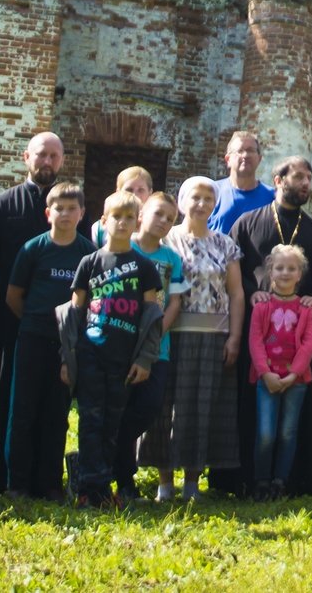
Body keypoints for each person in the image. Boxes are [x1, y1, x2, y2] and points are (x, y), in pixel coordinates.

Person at [0, 131, 65, 492]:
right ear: (26, 157)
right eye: (41, 155)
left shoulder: (69, 209)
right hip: (6, 317)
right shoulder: (2, 205)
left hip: (52, 324)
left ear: (61, 161)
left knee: (43, 399)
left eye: (53, 156)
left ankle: (37, 477)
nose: (46, 162)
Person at [229, 156, 312, 494]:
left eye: (309, 177)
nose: (306, 183)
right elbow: (234, 271)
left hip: (302, 334)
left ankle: (293, 479)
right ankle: (250, 478)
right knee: (256, 413)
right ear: (278, 180)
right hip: (259, 332)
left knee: (297, 418)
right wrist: (251, 294)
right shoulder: (248, 223)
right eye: (299, 177)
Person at [59, 191, 163, 508]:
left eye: (129, 217)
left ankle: (104, 487)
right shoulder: (89, 263)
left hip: (125, 360)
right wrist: (68, 358)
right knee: (90, 421)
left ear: (137, 222)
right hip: (90, 355)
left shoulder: (145, 268)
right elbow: (73, 313)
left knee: (113, 424)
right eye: (116, 216)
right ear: (104, 221)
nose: (122, 222)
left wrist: (146, 359)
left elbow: (153, 316)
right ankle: (90, 492)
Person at [3, 182, 95, 499]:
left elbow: (92, 301)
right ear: (48, 213)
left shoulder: (88, 253)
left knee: (57, 414)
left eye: (72, 208)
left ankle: (50, 484)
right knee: (24, 409)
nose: (65, 214)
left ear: (82, 213)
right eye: (59, 208)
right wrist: (35, 321)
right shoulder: (33, 249)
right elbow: (14, 296)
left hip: (67, 345)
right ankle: (17, 483)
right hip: (32, 336)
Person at [159, 177, 244, 500]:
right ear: (182, 202)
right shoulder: (165, 241)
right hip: (172, 334)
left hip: (213, 337)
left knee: (202, 406)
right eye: (196, 197)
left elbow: (236, 294)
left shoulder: (225, 244)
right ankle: (164, 483)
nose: (202, 203)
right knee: (166, 406)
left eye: (209, 198)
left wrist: (234, 336)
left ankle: (192, 482)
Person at [116, 191, 186, 501]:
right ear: (142, 213)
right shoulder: (121, 249)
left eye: (170, 219)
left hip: (158, 349)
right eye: (158, 214)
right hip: (119, 344)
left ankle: (112, 451)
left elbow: (175, 302)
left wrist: (155, 334)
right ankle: (123, 483)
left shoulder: (171, 259)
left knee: (147, 408)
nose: (163, 222)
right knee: (118, 408)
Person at [246, 244, 312, 499]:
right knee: (266, 433)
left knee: (288, 432)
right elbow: (255, 342)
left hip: (295, 381)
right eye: (280, 268)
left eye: (292, 268)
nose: (285, 273)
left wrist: (293, 375)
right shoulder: (262, 307)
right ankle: (261, 481)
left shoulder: (306, 309)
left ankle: (280, 481)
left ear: (300, 274)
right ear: (270, 272)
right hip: (267, 379)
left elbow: (309, 344)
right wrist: (265, 373)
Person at [209, 131, 272, 233]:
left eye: (250, 150)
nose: (245, 155)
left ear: (259, 159)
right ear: (228, 159)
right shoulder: (211, 192)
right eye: (240, 150)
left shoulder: (272, 197)